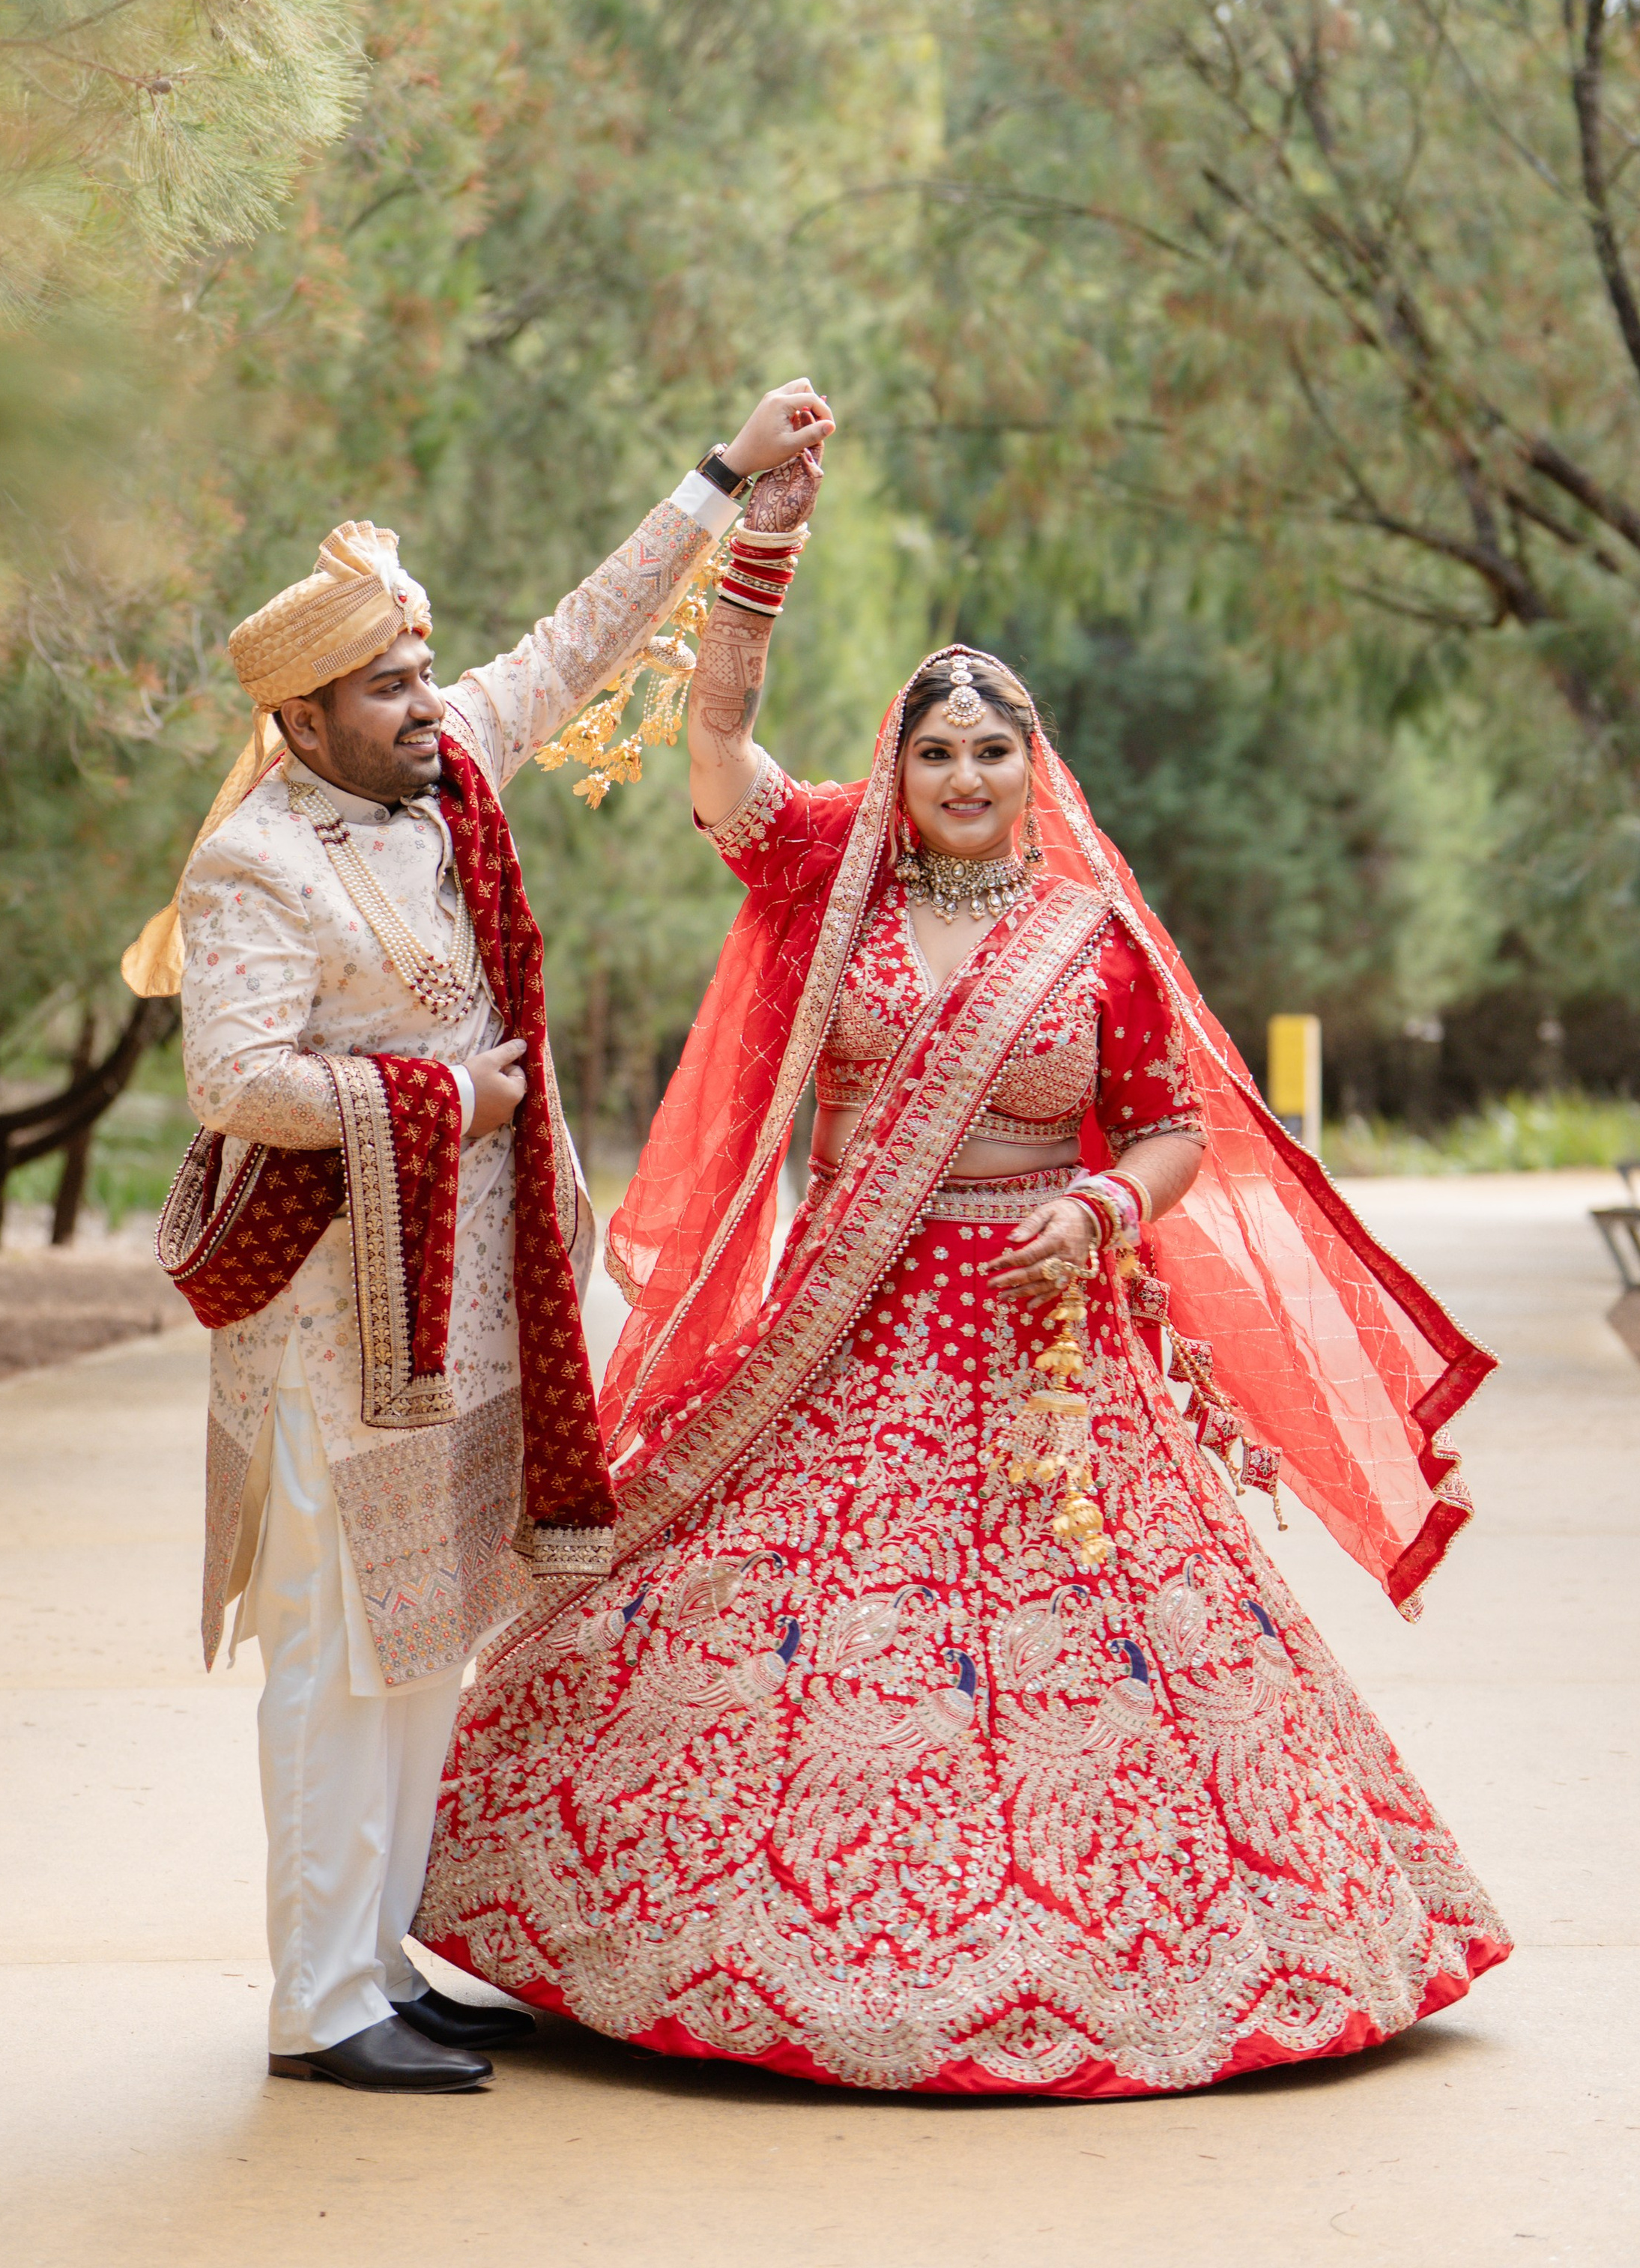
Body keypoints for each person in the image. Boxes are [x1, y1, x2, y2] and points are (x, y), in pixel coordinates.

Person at [416, 452, 1512, 2097]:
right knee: (772, 1631)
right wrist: (762, 538)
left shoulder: (1086, 938)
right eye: (935, 749)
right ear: (898, 765)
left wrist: (1105, 1214)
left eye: (992, 749)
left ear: (1029, 764)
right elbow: (714, 752)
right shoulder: (830, 876)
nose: (965, 774)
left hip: (1047, 1355)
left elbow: (1166, 1130)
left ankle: (1167, 1948)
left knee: (1109, 1650)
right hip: (848, 1343)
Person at [121, 383, 835, 2096]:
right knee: (332, 1652)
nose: (426, 698)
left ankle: (378, 1961)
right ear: (300, 716)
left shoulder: (447, 784)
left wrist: (720, 478)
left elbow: (587, 634)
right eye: (387, 682)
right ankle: (314, 2004)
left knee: (422, 1639)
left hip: (464, 1313)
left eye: (424, 667)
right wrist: (452, 1103)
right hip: (330, 1327)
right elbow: (236, 1081)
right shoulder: (256, 868)